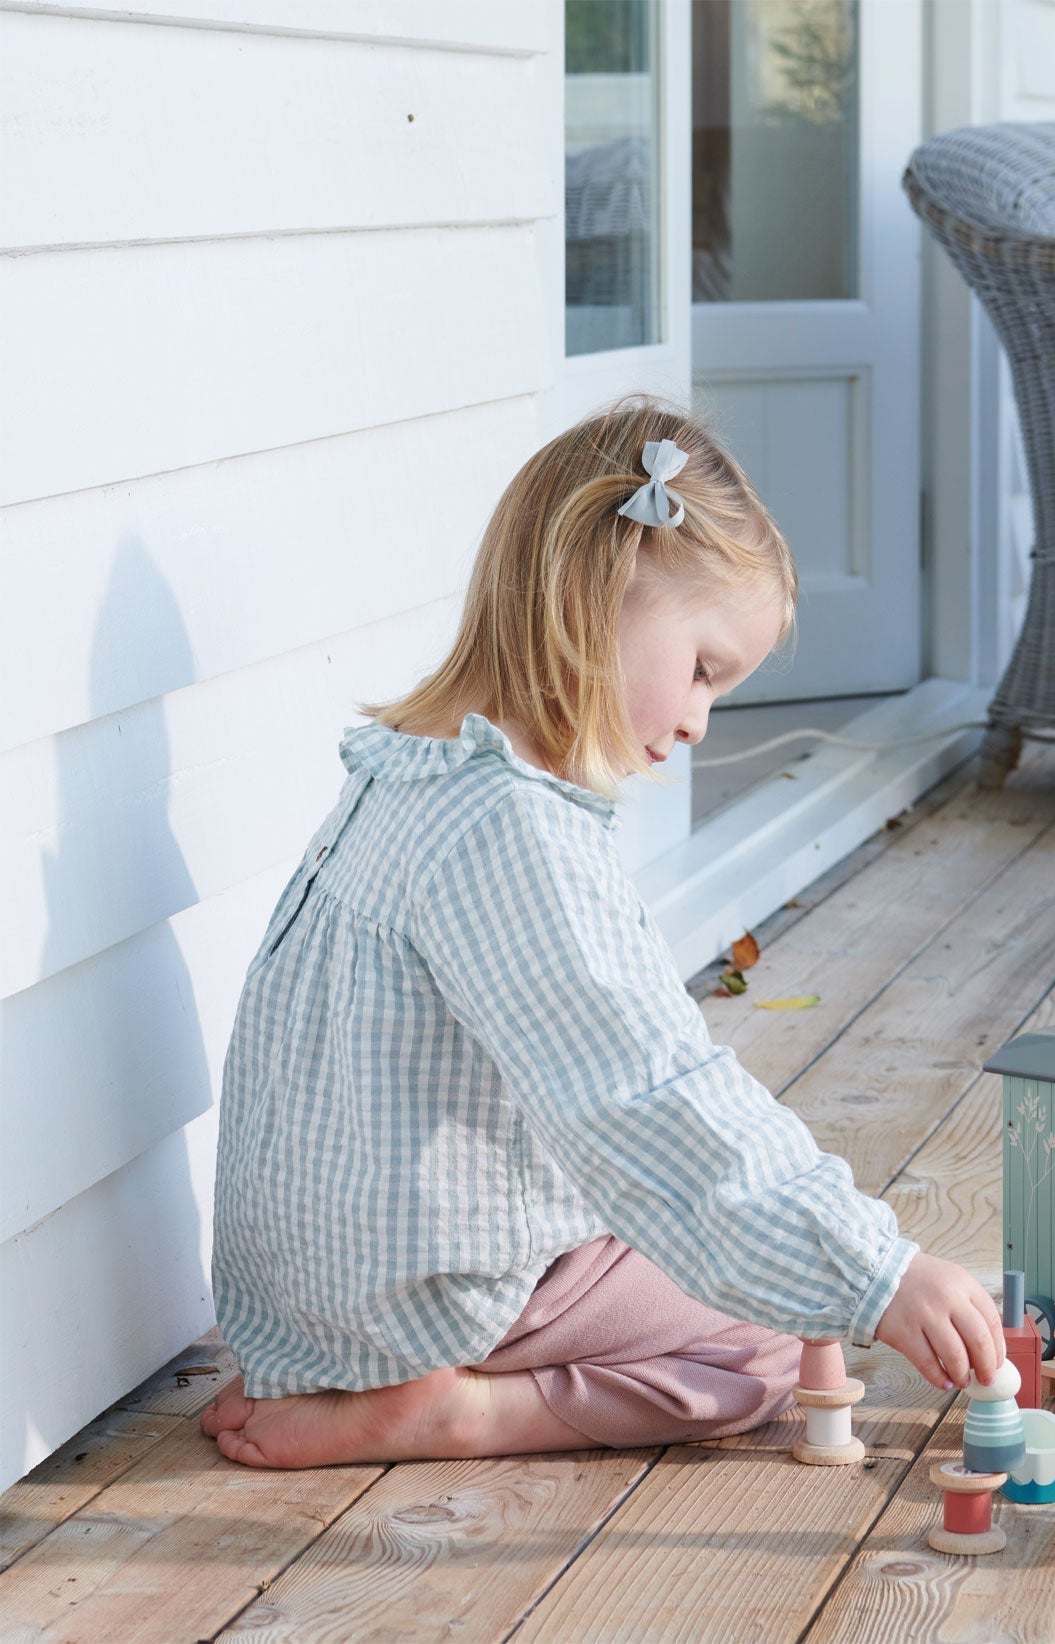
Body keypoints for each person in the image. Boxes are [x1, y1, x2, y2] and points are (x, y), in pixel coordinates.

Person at [201, 395, 1004, 1469]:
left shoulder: (407, 771)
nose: (699, 722)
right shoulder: (517, 835)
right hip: (417, 1305)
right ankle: (455, 1408)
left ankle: (368, 1381)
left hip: (305, 1297)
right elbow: (643, 1095)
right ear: (601, 590)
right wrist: (876, 1270)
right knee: (778, 1337)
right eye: (705, 668)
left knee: (719, 1238)